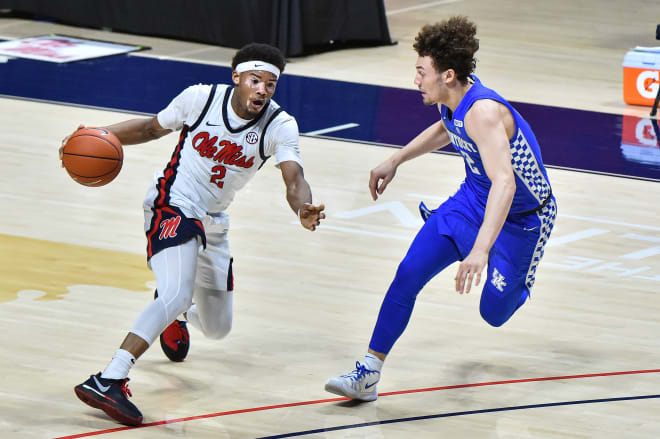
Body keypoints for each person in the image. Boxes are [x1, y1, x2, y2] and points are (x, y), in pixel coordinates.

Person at [63, 43, 325, 426]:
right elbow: (150, 128)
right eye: (256, 80)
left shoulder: (279, 124)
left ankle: (174, 312)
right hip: (173, 203)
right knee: (176, 292)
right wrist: (96, 133)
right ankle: (110, 378)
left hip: (214, 221)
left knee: (218, 327)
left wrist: (303, 208)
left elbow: (294, 178)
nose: (263, 90)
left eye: (271, 83)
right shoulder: (200, 99)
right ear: (237, 77)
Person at [325, 16, 556, 402]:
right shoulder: (453, 100)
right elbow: (447, 130)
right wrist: (396, 159)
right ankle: (368, 372)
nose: (416, 80)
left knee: (494, 314)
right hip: (471, 202)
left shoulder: (483, 111)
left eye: (421, 72)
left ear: (447, 75)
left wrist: (482, 250)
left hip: (523, 220)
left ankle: (512, 274)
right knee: (407, 273)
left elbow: (506, 182)